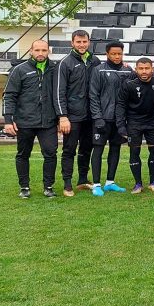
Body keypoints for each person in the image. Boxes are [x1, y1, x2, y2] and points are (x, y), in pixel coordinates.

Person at [3, 39, 58, 198]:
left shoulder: (55, 68)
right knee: (23, 154)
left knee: (50, 153)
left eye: (44, 50)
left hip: (48, 122)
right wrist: (8, 120)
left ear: (49, 51)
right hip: (25, 121)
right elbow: (9, 95)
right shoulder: (19, 70)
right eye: (37, 50)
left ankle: (48, 186)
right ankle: (24, 187)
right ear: (30, 51)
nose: (40, 53)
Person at [54, 29, 100, 196]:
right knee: (69, 149)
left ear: (89, 42)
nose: (82, 45)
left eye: (84, 42)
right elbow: (59, 92)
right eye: (78, 42)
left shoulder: (95, 61)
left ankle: (82, 179)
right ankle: (67, 183)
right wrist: (63, 116)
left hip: (91, 115)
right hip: (71, 117)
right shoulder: (64, 63)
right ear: (72, 43)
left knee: (87, 148)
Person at [116, 58, 154, 193]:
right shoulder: (129, 84)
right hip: (134, 122)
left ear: (152, 69)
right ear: (136, 69)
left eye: (147, 68)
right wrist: (121, 126)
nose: (144, 71)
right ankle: (138, 184)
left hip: (153, 122)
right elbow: (121, 105)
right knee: (134, 151)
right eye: (141, 68)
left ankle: (153, 182)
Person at [88, 41, 134, 194]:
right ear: (107, 54)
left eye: (119, 54)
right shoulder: (98, 70)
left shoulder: (128, 71)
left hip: (119, 120)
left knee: (115, 148)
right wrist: (97, 117)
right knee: (98, 149)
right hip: (102, 119)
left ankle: (110, 182)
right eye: (113, 54)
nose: (116, 56)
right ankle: (96, 184)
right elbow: (93, 96)